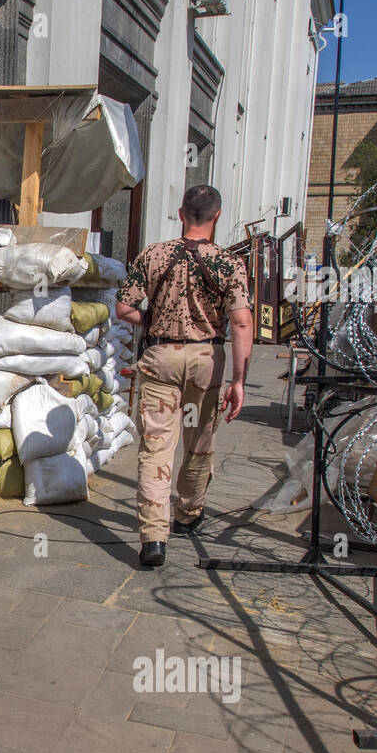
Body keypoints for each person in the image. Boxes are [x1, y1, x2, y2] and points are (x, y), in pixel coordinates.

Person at [115, 184, 254, 568]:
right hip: (206, 359)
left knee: (156, 447)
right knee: (199, 442)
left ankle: (154, 538)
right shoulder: (230, 263)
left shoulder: (154, 255)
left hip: (160, 357)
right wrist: (240, 380)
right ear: (217, 215)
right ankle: (189, 513)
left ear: (181, 213)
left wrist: (152, 323)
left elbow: (124, 308)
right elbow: (241, 322)